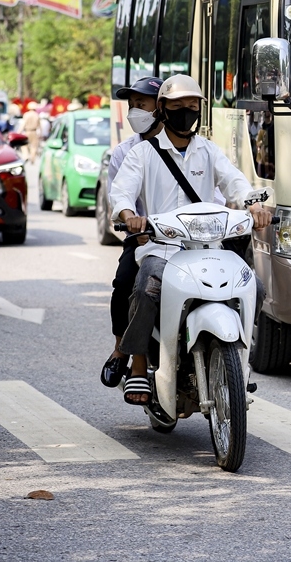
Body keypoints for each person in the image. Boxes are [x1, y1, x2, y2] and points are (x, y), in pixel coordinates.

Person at [109, 75, 272, 406]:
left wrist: (253, 204)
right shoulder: (142, 154)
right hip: (162, 249)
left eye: (192, 106)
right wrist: (130, 216)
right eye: (177, 106)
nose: (186, 112)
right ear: (163, 110)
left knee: (256, 287)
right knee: (142, 289)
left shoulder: (209, 151)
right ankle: (138, 366)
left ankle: (242, 362)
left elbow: (235, 183)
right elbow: (122, 192)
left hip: (210, 250)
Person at [98, 76, 164, 389]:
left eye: (143, 103)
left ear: (161, 107)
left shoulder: (194, 147)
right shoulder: (124, 152)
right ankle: (121, 348)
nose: (136, 109)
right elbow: (120, 195)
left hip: (189, 238)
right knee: (126, 283)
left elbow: (217, 195)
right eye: (133, 104)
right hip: (142, 235)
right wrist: (131, 221)